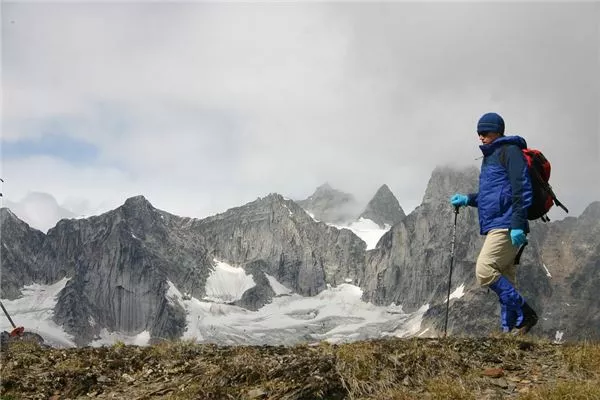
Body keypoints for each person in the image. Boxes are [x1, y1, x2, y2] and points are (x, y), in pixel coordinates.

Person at [450, 112, 538, 334]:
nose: (481, 137)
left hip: (507, 224)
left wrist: (518, 223)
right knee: (505, 277)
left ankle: (526, 313)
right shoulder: (491, 158)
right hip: (499, 223)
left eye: (485, 132)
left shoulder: (510, 151)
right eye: (479, 133)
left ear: (497, 131)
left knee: (484, 270)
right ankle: (510, 332)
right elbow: (491, 197)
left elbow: (521, 189)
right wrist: (468, 199)